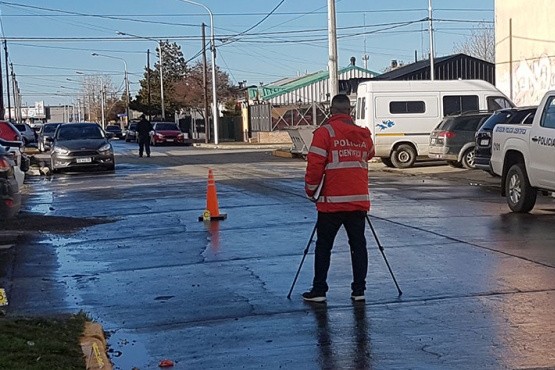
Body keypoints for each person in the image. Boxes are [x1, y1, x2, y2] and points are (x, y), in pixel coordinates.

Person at [303, 94, 375, 303]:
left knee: (324, 246)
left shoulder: (325, 133)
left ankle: (319, 290)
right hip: (358, 201)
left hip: (331, 202)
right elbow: (370, 154)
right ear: (350, 111)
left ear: (331, 111)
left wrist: (311, 190)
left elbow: (315, 165)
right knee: (358, 245)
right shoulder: (363, 134)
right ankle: (359, 290)